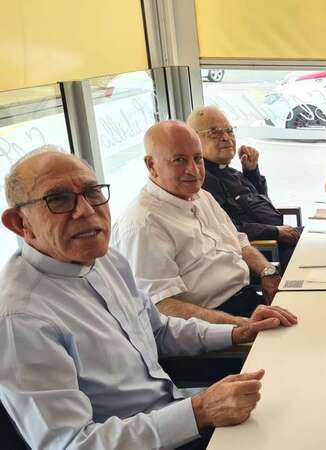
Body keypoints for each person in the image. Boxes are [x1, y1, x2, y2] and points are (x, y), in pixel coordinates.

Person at [0, 149, 297, 449]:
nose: (86, 211)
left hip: (173, 408)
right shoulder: (20, 318)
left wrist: (237, 331)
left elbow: (159, 330)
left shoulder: (105, 261)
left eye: (91, 192)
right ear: (19, 223)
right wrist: (199, 411)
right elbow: (73, 444)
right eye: (59, 199)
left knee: (296, 400)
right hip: (157, 434)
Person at [113, 121, 282, 324]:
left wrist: (268, 272)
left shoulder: (201, 195)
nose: (193, 171)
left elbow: (240, 243)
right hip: (210, 327)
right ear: (151, 165)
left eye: (197, 158)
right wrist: (240, 325)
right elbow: (164, 308)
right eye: (179, 160)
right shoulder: (143, 224)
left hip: (248, 300)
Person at [187, 105, 300, 270]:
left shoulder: (231, 172)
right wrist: (274, 231)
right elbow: (228, 229)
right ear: (194, 139)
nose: (226, 137)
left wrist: (251, 171)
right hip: (263, 251)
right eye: (215, 132)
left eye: (229, 130)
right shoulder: (202, 183)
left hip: (279, 238)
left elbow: (262, 206)